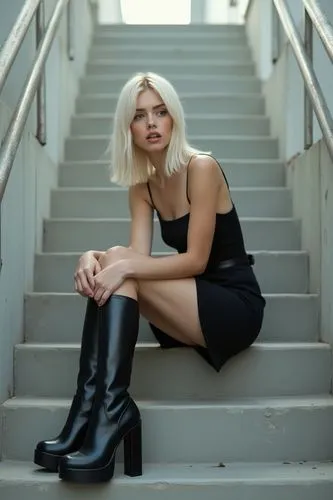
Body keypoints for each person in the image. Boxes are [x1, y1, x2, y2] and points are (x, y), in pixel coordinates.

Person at [33, 72, 266, 484]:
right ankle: (92, 410)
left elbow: (195, 261)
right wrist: (93, 257)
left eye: (161, 112)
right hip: (186, 307)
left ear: (174, 118)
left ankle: (102, 412)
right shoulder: (143, 186)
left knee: (119, 264)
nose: (152, 123)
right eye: (140, 116)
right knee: (116, 265)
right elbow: (132, 265)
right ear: (130, 128)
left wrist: (116, 262)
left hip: (231, 305)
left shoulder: (202, 168)